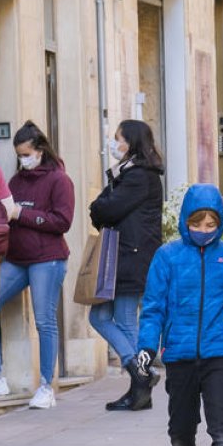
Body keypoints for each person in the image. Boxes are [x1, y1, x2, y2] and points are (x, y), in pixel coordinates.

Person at [136, 184, 223, 446]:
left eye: (211, 224)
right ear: (185, 221)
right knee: (180, 434)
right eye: (197, 223)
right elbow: (154, 307)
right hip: (179, 358)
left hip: (219, 354)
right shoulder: (167, 257)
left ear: (220, 223)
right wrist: (146, 347)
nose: (204, 229)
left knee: (222, 432)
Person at [0, 122, 74, 408]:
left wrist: (21, 213)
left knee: (44, 321)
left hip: (48, 260)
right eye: (19, 155)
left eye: (26, 154)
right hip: (16, 258)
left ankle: (46, 388)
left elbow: (62, 222)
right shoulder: (16, 181)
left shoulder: (60, 180)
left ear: (39, 150)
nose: (23, 159)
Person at [88, 119, 165, 411]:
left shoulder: (138, 177)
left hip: (130, 257)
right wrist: (101, 208)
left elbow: (105, 208)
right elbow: (103, 209)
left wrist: (99, 207)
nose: (114, 143)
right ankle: (142, 377)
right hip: (124, 256)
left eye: (118, 138)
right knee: (102, 316)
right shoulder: (130, 174)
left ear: (131, 142)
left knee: (120, 318)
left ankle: (140, 381)